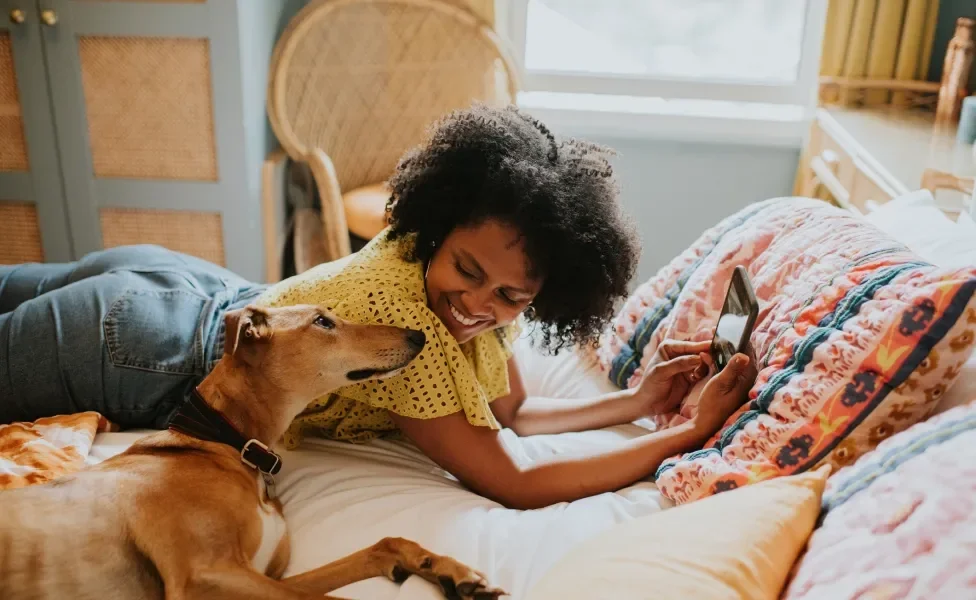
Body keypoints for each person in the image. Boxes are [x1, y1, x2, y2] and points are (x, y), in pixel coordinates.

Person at [0, 105, 756, 509]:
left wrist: (633, 400)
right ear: (439, 225)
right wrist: (683, 434)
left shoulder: (480, 290)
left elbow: (509, 412)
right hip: (146, 347)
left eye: (510, 296)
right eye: (466, 270)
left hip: (188, 292)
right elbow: (512, 480)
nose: (477, 304)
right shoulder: (405, 327)